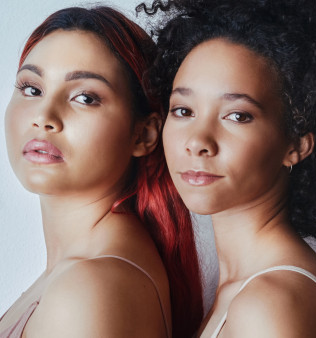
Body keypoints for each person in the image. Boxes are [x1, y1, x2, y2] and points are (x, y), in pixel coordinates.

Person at [137, 0, 316, 336]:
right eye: (183, 110)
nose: (198, 141)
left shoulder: (269, 305)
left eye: (237, 116)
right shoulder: (246, 287)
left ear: (296, 145)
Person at [0, 7, 203, 338]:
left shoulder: (89, 289)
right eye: (32, 88)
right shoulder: (79, 272)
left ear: (144, 135)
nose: (44, 116)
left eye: (85, 97)